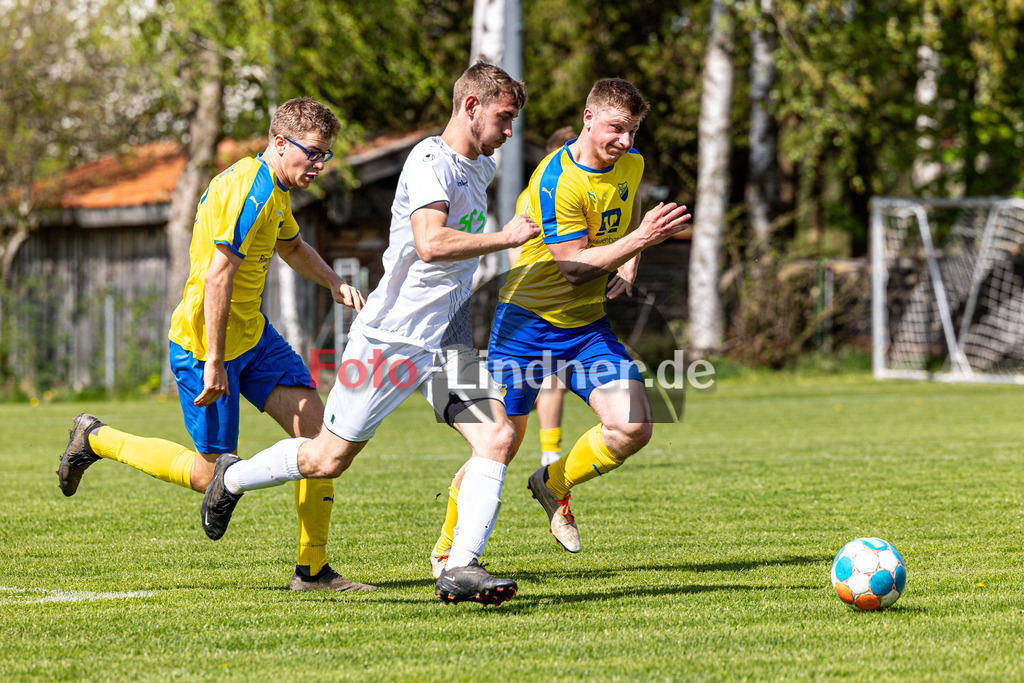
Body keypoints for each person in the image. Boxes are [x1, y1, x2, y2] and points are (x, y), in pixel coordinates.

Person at [198, 62, 538, 606]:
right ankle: (232, 479)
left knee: (497, 437)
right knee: (326, 459)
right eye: (503, 117)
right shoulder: (430, 162)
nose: (509, 132)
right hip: (394, 338)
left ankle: (460, 566)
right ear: (470, 106)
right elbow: (428, 243)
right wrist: (505, 238)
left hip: (444, 336)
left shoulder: (483, 167)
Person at [57, 97, 372, 592]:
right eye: (312, 153)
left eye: (325, 156)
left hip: (254, 338)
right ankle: (94, 438)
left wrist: (332, 281)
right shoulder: (248, 190)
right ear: (279, 142)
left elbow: (290, 245)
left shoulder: (275, 186)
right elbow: (217, 279)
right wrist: (215, 362)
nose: (319, 165)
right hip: (205, 345)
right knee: (210, 475)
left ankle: (312, 571)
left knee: (321, 434)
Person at [432, 78, 690, 561]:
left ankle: (552, 484)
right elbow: (571, 267)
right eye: (616, 128)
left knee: (633, 426)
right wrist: (639, 243)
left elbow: (629, 207)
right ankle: (448, 551)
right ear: (588, 119)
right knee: (497, 446)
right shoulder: (557, 180)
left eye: (633, 130)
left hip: (587, 326)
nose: (626, 142)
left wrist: (630, 260)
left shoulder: (630, 164)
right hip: (527, 324)